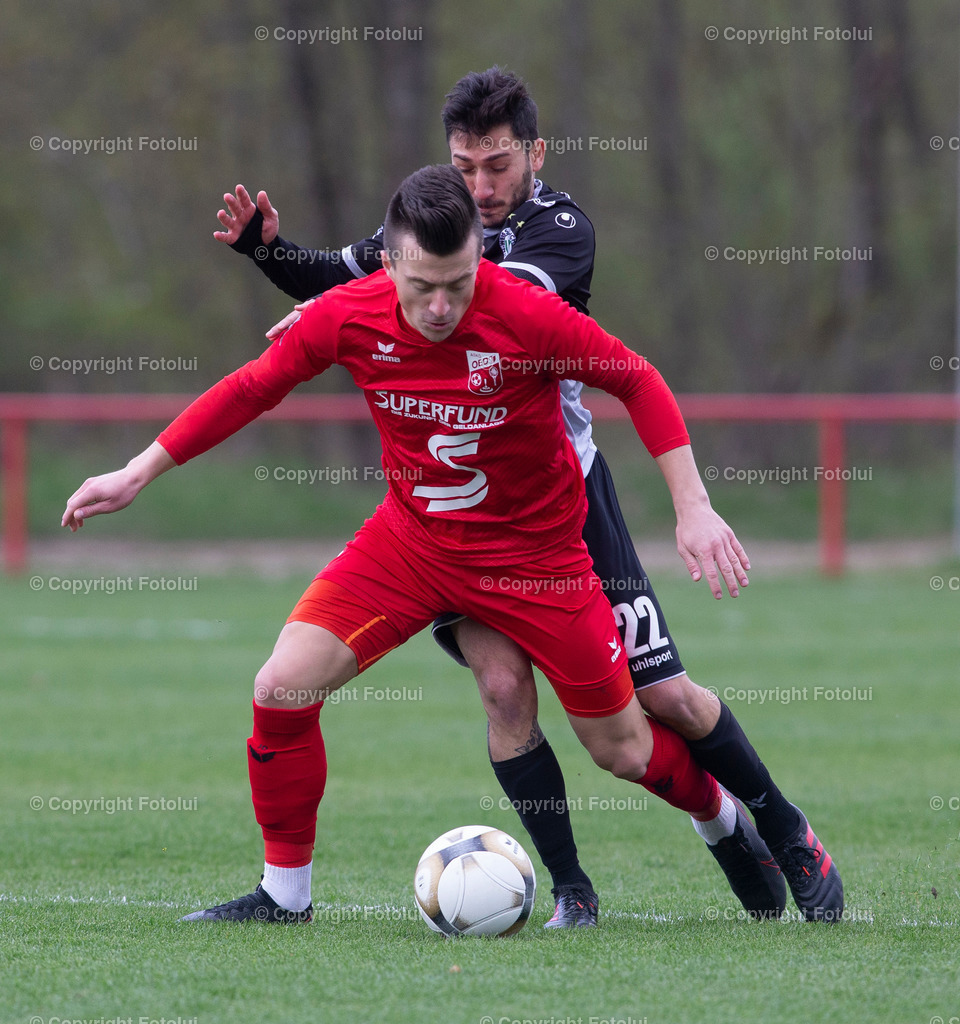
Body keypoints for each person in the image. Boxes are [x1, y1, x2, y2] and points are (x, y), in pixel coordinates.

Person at [62, 165, 790, 927]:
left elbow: (637, 379)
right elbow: (254, 387)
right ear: (389, 265)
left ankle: (724, 813)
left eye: (458, 284)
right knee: (282, 687)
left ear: (482, 259)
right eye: (421, 287)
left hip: (538, 561)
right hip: (413, 547)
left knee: (625, 750)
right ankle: (285, 895)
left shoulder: (527, 315)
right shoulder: (348, 314)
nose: (440, 306)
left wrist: (694, 507)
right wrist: (138, 471)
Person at [213, 68, 842, 926]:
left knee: (663, 702)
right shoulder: (437, 234)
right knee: (504, 692)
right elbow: (344, 278)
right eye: (465, 166)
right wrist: (270, 254)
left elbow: (497, 313)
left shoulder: (560, 232)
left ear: (535, 154)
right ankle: (573, 892)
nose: (481, 186)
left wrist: (693, 507)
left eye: (498, 165)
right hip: (456, 519)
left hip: (568, 508)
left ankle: (769, 823)